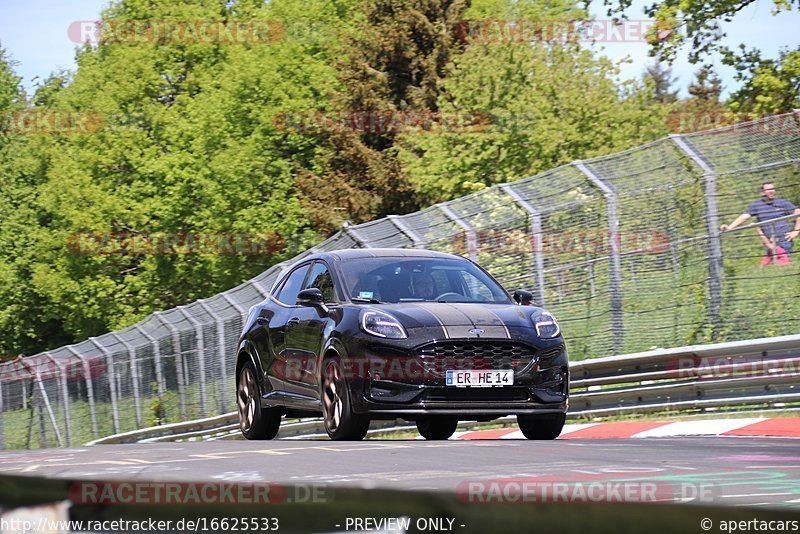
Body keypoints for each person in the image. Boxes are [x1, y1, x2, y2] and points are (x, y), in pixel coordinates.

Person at [720, 182, 800, 261]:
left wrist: (796, 231)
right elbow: (744, 217)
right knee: (772, 268)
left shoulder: (782, 203)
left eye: (772, 189)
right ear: (762, 192)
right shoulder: (757, 205)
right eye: (768, 189)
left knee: (786, 266)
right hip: (769, 243)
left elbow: (798, 213)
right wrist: (729, 227)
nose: (771, 191)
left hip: (784, 241)